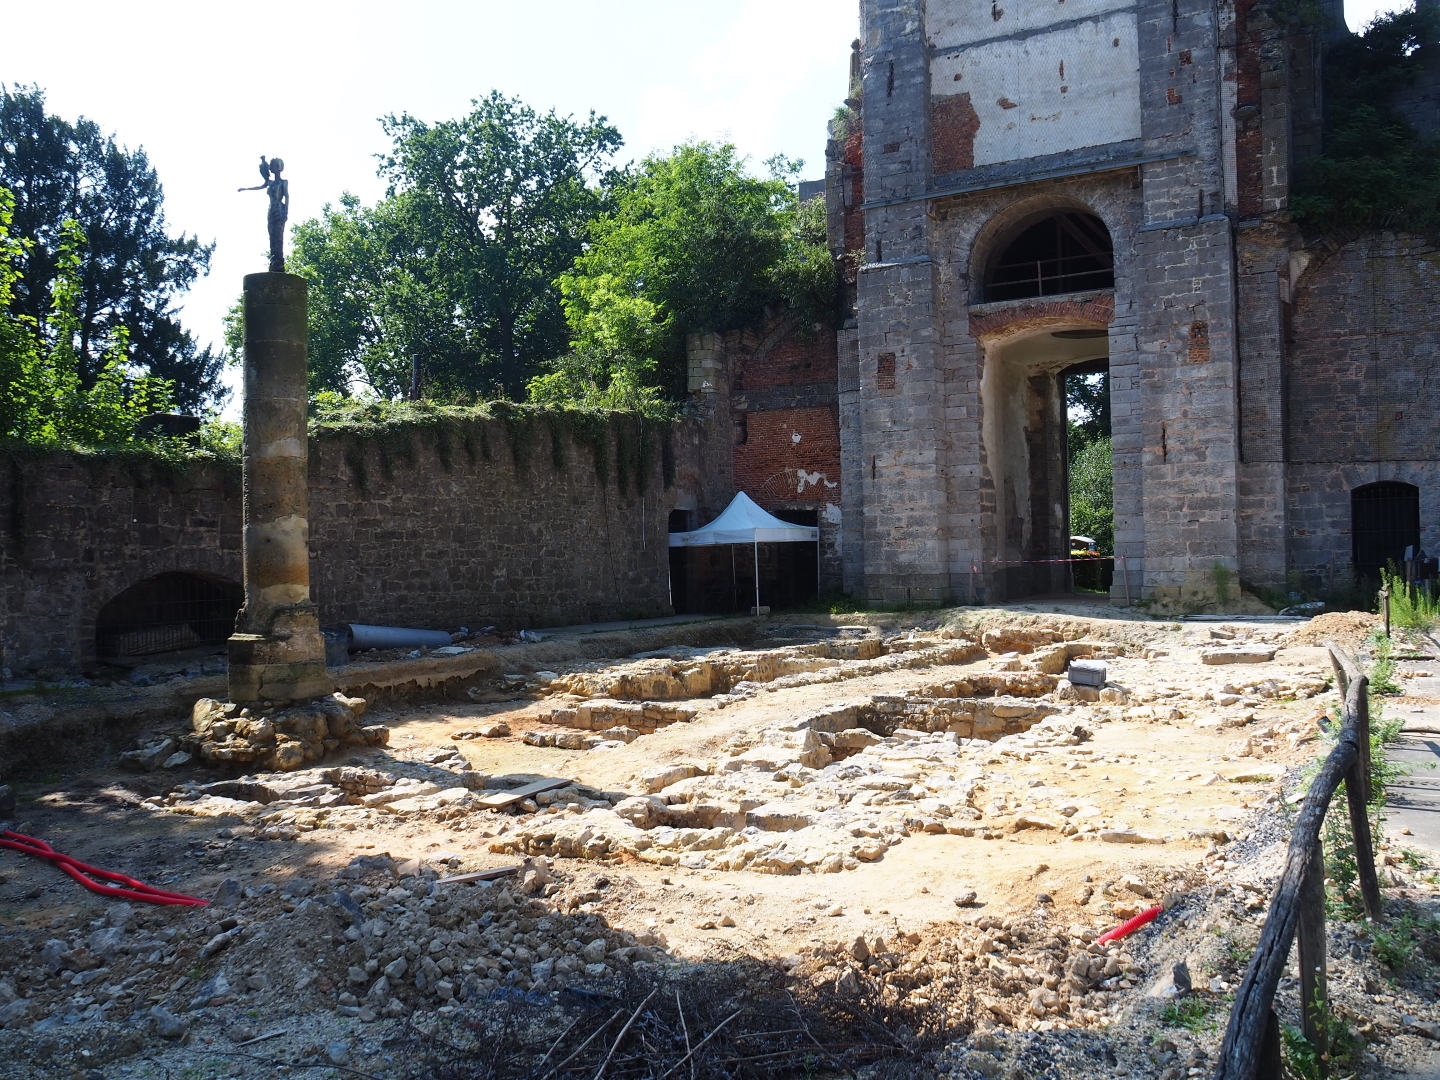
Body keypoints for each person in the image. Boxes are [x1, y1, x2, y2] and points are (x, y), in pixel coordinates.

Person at [238, 156, 289, 272]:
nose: (271, 168)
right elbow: (259, 185)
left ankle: (278, 262)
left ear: (279, 167)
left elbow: (286, 196)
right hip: (271, 211)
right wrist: (245, 189)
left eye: (273, 166)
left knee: (278, 234)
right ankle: (273, 260)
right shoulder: (269, 183)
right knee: (272, 234)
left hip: (279, 209)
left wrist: (286, 211)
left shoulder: (283, 182)